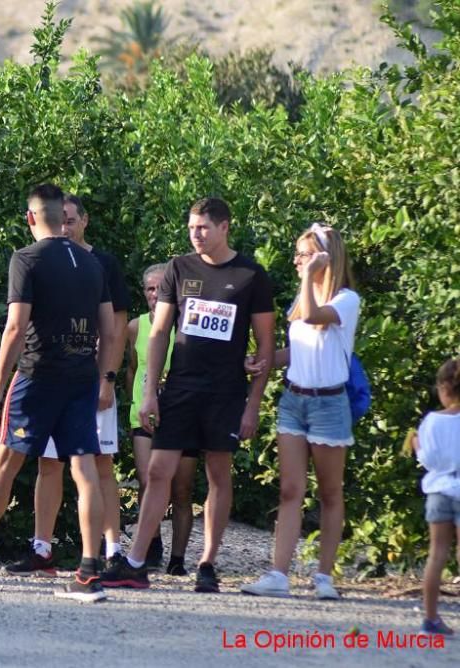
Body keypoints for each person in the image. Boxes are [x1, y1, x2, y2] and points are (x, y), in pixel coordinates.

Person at [0, 184, 117, 603]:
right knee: (84, 469)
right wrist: (105, 375)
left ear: (31, 218)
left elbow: (15, 327)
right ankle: (89, 573)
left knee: (5, 465)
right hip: (82, 375)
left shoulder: (26, 258)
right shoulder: (90, 263)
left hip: (38, 375)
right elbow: (110, 329)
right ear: (60, 217)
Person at [124, 197, 275, 593]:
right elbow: (158, 333)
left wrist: (253, 405)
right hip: (179, 387)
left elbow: (264, 346)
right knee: (158, 471)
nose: (196, 235)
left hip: (225, 392)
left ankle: (207, 563)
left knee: (218, 475)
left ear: (225, 227)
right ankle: (136, 562)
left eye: (203, 228)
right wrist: (149, 392)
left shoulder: (250, 276)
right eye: (191, 227)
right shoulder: (179, 267)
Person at [2, 194, 129, 580]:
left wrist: (107, 378)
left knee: (96, 465)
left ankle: (112, 552)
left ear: (83, 221)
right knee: (49, 464)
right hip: (51, 379)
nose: (67, 227)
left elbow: (117, 328)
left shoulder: (99, 263)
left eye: (72, 220)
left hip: (88, 382)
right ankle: (43, 548)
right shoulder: (43, 262)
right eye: (64, 220)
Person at [241, 224, 359, 600]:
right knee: (290, 489)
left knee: (329, 493)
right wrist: (263, 361)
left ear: (326, 258)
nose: (296, 261)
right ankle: (278, 573)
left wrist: (310, 277)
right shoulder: (302, 298)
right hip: (294, 400)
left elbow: (312, 318)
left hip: (329, 404)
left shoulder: (346, 299)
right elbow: (300, 349)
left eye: (304, 255)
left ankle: (324, 577)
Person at [127, 263, 197, 576]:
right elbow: (131, 367)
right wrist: (136, 399)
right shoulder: (135, 326)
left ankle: (178, 558)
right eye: (149, 289)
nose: (155, 295)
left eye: (160, 288)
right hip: (144, 410)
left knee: (182, 490)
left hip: (182, 411)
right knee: (147, 479)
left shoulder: (187, 325)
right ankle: (151, 545)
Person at [409, 358, 460, 635]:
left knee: (436, 555)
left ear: (443, 388)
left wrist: (416, 444)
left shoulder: (432, 421)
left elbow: (428, 460)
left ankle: (431, 619)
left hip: (439, 490)